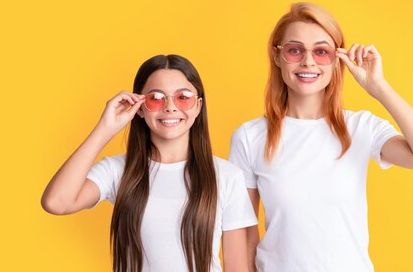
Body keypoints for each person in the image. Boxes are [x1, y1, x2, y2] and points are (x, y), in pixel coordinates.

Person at [229, 2, 413, 272]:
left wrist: (378, 87)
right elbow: (243, 235)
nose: (308, 61)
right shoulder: (250, 137)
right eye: (294, 50)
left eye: (321, 51)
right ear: (277, 56)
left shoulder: (361, 127)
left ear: (337, 58)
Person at [42, 54, 258, 272]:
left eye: (183, 97)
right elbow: (56, 202)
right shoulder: (118, 171)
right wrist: (105, 128)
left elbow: (238, 267)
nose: (170, 107)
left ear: (198, 106)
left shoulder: (227, 176)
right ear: (140, 108)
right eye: (156, 98)